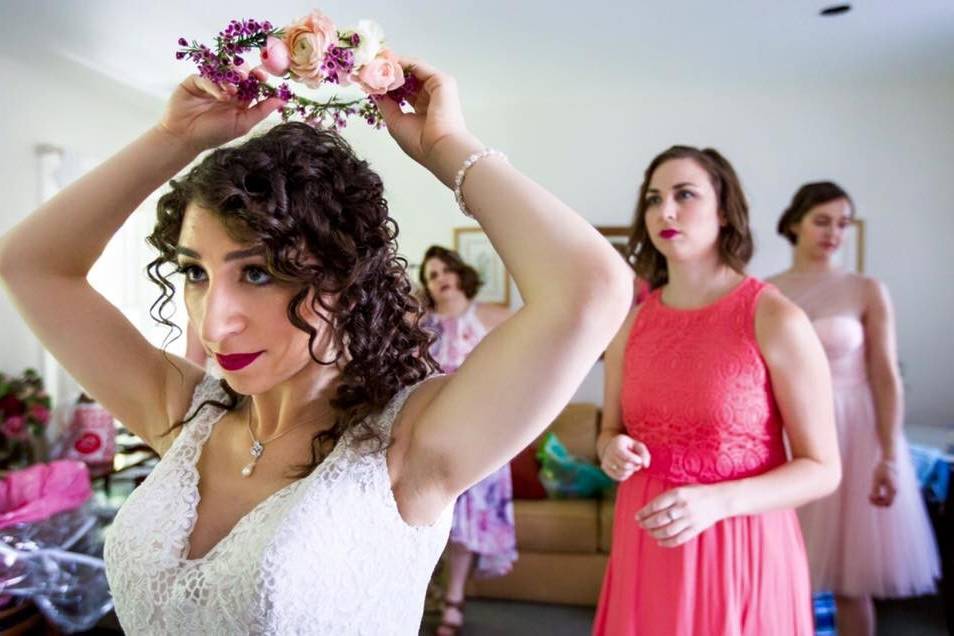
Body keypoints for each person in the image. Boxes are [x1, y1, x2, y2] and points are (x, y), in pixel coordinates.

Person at [0, 59, 633, 634]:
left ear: (344, 278)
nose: (215, 324)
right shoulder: (183, 412)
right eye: (196, 273)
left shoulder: (410, 445)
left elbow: (591, 290)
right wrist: (176, 140)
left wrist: (446, 149)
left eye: (257, 272)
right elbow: (30, 265)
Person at [593, 146, 842, 636]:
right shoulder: (631, 325)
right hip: (645, 542)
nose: (664, 211)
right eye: (653, 198)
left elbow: (823, 470)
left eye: (684, 195)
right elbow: (608, 431)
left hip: (737, 542)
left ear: (724, 211)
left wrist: (717, 502)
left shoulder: (775, 318)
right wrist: (610, 450)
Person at [768, 181, 940, 636]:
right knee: (782, 571)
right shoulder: (766, 291)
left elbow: (885, 376)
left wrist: (887, 454)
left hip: (855, 432)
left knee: (851, 582)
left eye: (842, 223)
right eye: (822, 221)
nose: (834, 233)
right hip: (790, 431)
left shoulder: (866, 289)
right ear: (794, 224)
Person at [418, 245, 515, 635]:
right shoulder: (421, 324)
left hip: (480, 436)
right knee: (428, 520)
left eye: (445, 270)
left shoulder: (489, 316)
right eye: (431, 275)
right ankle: (425, 594)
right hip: (432, 434)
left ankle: (453, 601)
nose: (440, 278)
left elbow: (529, 351)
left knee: (464, 525)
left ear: (459, 273)